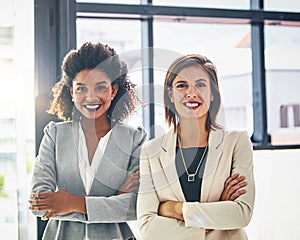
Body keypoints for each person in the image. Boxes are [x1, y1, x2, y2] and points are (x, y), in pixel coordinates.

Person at [29, 42, 147, 240]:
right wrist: (112, 201)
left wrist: (73, 203)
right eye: (81, 88)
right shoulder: (55, 135)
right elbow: (39, 205)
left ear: (114, 91)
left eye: (100, 87)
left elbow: (137, 206)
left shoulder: (134, 139)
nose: (91, 97)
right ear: (72, 93)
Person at [137, 54, 255, 240]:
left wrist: (174, 208)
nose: (191, 92)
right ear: (170, 95)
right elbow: (148, 228)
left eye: (200, 84)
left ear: (212, 93)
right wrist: (216, 215)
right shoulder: (151, 152)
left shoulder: (236, 142)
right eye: (182, 85)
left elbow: (241, 213)